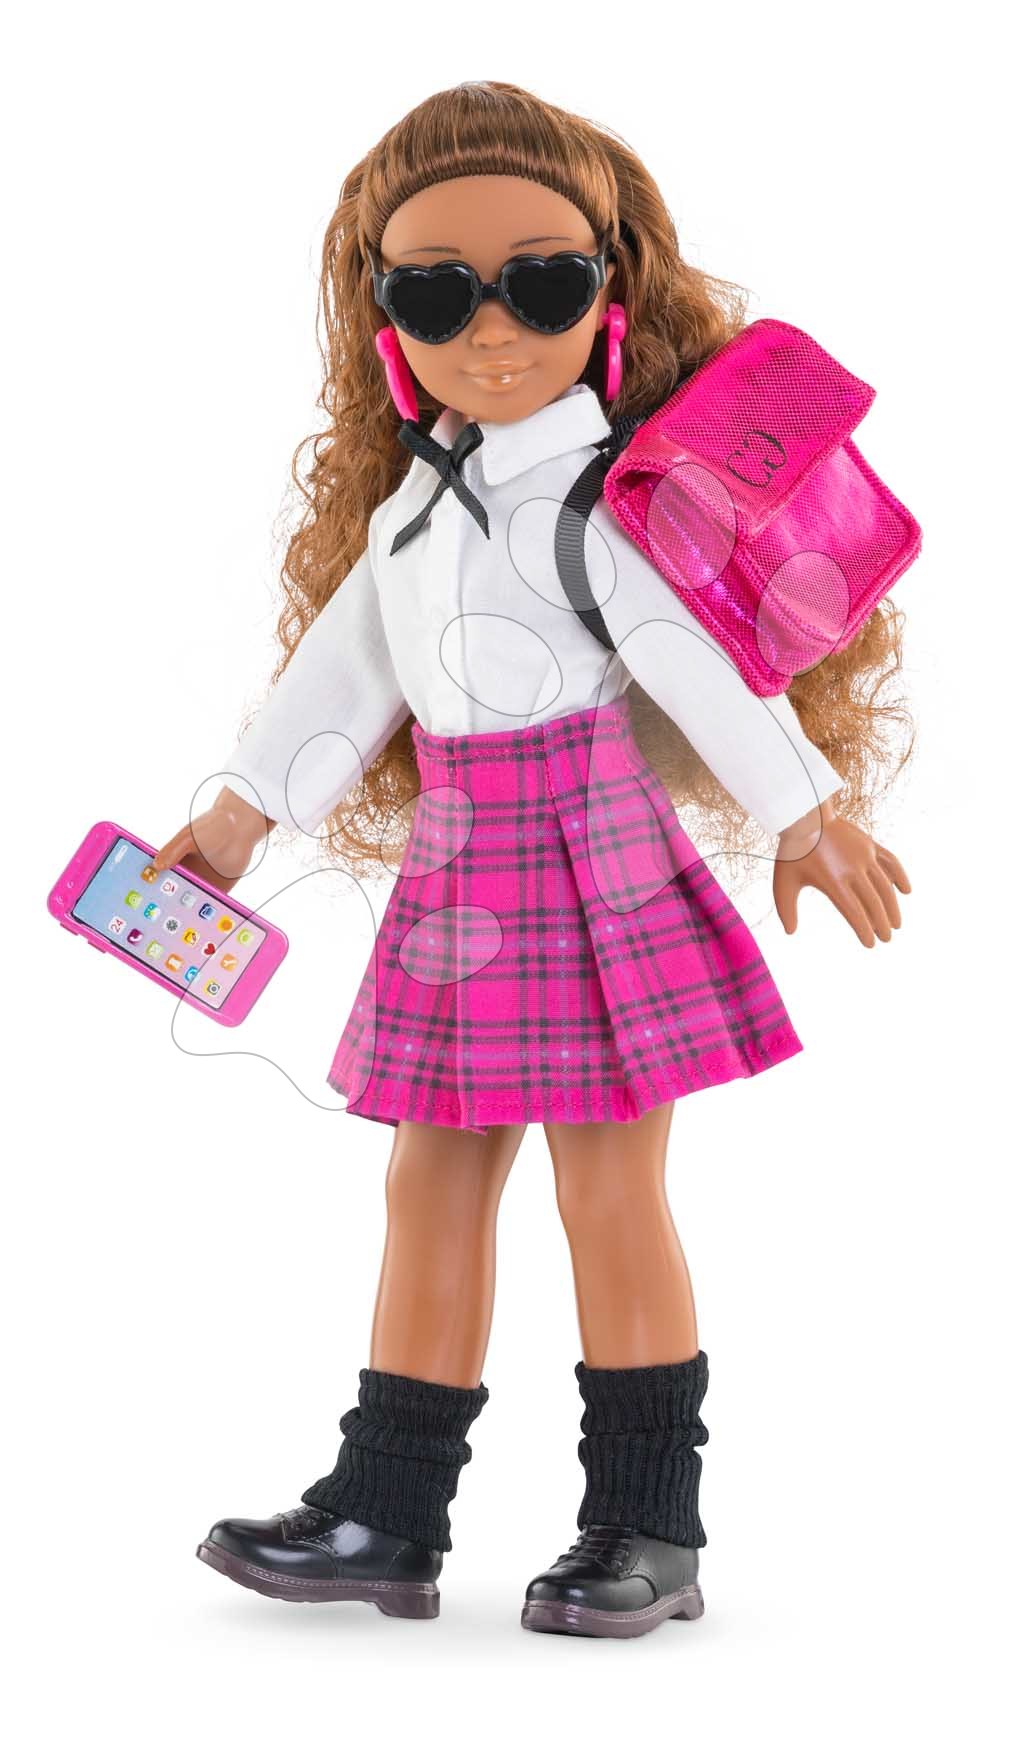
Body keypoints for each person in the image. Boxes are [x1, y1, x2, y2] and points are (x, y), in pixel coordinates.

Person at [153, 81, 911, 1638]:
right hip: (458, 872)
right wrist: (233, 819)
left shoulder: (603, 502)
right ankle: (387, 1506)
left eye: (541, 283)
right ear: (384, 316)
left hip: (591, 853)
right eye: (436, 295)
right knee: (426, 1175)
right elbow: (338, 684)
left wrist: (804, 808)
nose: (490, 329)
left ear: (607, 295)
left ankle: (646, 1524)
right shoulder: (408, 516)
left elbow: (697, 660)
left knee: (608, 1183)